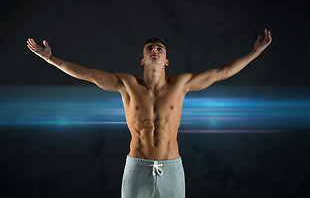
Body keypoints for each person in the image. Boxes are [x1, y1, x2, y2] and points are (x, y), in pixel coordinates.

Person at [27, 29, 272, 198]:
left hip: (172, 168)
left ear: (167, 61)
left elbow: (222, 72)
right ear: (142, 60)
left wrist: (256, 52)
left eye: (160, 49)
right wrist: (52, 60)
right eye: (150, 49)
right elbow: (86, 73)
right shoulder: (126, 84)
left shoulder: (181, 84)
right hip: (137, 167)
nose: (155, 50)